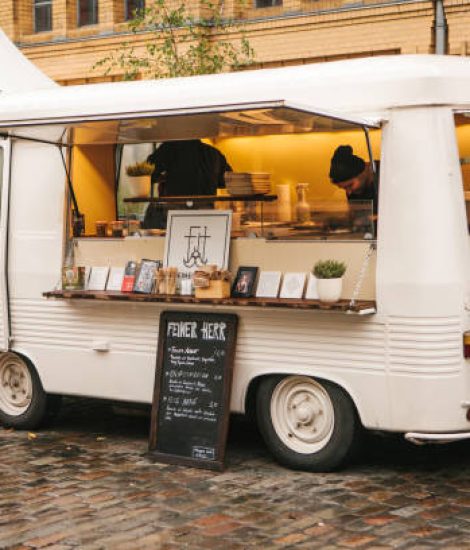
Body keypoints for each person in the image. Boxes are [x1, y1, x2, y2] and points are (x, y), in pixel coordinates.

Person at [143, 139, 232, 229]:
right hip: (206, 215)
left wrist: (164, 178)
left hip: (176, 216)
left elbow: (144, 174)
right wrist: (207, 178)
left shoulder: (169, 148)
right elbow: (226, 181)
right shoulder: (214, 153)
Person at [329, 145, 379, 215]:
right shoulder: (353, 192)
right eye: (344, 188)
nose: (348, 192)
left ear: (363, 171)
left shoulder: (386, 173)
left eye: (350, 185)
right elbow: (357, 218)